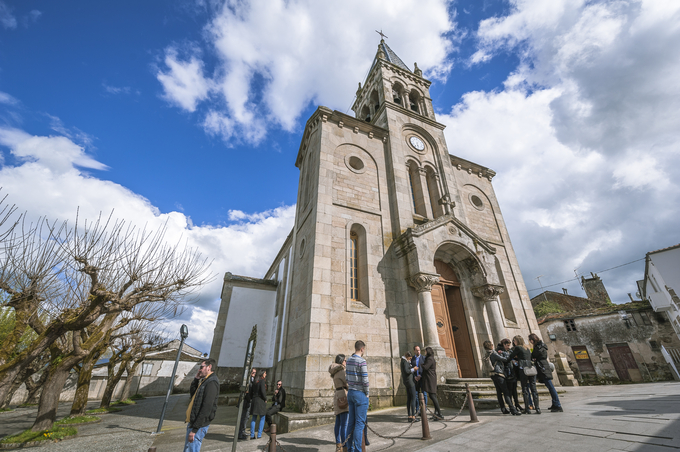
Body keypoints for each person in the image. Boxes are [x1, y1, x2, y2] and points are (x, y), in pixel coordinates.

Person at [184, 358, 219, 452]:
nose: (199, 369)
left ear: (209, 367)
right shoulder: (205, 380)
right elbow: (193, 395)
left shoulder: (212, 382)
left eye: (201, 367)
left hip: (199, 425)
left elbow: (207, 407)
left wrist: (195, 429)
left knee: (192, 449)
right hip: (194, 422)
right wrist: (196, 380)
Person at [484, 341, 520, 416]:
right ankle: (512, 409)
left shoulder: (486, 353)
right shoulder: (493, 353)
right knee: (506, 392)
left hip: (492, 374)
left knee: (499, 392)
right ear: (491, 346)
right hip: (498, 373)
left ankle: (503, 409)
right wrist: (508, 355)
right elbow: (504, 359)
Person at [529, 333, 563, 412]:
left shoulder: (538, 347)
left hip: (542, 368)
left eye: (530, 340)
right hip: (544, 366)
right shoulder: (542, 345)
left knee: (551, 387)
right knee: (550, 387)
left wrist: (533, 356)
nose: (530, 342)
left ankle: (558, 405)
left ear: (532, 340)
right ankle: (555, 404)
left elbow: (534, 355)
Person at [346, 340, 369, 452]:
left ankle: (350, 448)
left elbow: (346, 378)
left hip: (350, 392)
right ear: (362, 349)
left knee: (351, 423)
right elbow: (365, 379)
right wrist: (367, 392)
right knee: (359, 425)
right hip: (360, 394)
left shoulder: (348, 360)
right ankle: (358, 450)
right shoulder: (362, 361)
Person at [507, 335, 540, 414]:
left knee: (525, 389)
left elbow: (510, 356)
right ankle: (538, 408)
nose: (513, 342)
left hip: (523, 369)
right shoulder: (527, 348)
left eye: (514, 340)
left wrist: (512, 359)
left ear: (517, 341)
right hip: (531, 369)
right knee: (534, 389)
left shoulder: (518, 348)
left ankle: (527, 408)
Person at [329, 354, 349, 452]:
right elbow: (348, 383)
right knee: (344, 423)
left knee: (338, 423)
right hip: (343, 396)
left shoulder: (334, 370)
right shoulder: (341, 371)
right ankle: (345, 446)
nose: (346, 362)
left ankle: (338, 445)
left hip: (337, 395)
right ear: (341, 361)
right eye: (345, 360)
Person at [421, 347, 443, 420]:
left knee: (433, 396)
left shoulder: (430, 359)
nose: (425, 352)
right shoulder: (430, 358)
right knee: (432, 396)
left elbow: (426, 367)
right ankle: (436, 414)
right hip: (430, 379)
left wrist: (421, 364)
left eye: (425, 351)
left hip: (430, 379)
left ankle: (439, 413)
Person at [500, 338, 522, 413]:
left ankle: (517, 404)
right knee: (509, 390)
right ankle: (511, 405)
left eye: (509, 345)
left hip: (513, 372)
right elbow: (503, 361)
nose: (508, 347)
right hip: (507, 373)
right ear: (503, 345)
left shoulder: (511, 351)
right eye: (507, 345)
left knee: (514, 390)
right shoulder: (501, 352)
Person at [238, 367, 257, 440]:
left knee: (246, 417)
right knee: (244, 417)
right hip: (246, 401)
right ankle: (241, 433)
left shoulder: (252, 380)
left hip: (249, 401)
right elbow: (246, 392)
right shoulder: (247, 380)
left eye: (255, 373)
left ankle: (242, 431)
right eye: (253, 372)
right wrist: (250, 399)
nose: (254, 374)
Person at [400, 351, 419, 423]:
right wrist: (414, 369)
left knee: (409, 398)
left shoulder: (404, 361)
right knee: (413, 398)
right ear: (407, 356)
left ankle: (409, 416)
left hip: (407, 382)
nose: (410, 359)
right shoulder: (404, 362)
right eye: (410, 358)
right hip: (410, 382)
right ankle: (413, 416)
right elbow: (407, 371)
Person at [249, 370, 268, 439]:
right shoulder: (262, 381)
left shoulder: (255, 381)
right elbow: (263, 391)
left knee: (254, 418)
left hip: (254, 400)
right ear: (262, 374)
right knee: (262, 417)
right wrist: (265, 398)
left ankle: (252, 435)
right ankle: (259, 435)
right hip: (260, 400)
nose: (265, 374)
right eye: (265, 373)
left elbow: (251, 391)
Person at [411, 345, 427, 416]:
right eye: (417, 350)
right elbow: (411, 369)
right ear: (414, 351)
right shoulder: (412, 359)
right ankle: (417, 410)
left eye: (419, 350)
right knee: (416, 395)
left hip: (422, 378)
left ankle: (424, 409)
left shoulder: (423, 358)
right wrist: (414, 377)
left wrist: (420, 375)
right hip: (415, 380)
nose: (418, 351)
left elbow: (425, 369)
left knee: (424, 394)